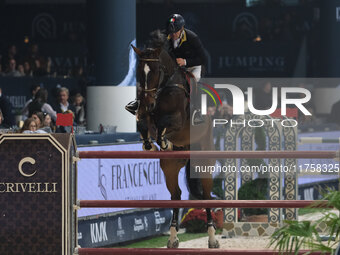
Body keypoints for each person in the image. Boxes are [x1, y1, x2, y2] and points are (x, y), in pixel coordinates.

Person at [125, 14, 207, 125]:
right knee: (154, 77)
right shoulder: (165, 35)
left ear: (182, 29)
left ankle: (198, 112)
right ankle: (139, 104)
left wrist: (185, 61)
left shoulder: (192, 38)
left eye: (175, 32)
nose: (173, 35)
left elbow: (203, 58)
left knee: (194, 80)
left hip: (192, 65)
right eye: (171, 32)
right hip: (174, 66)